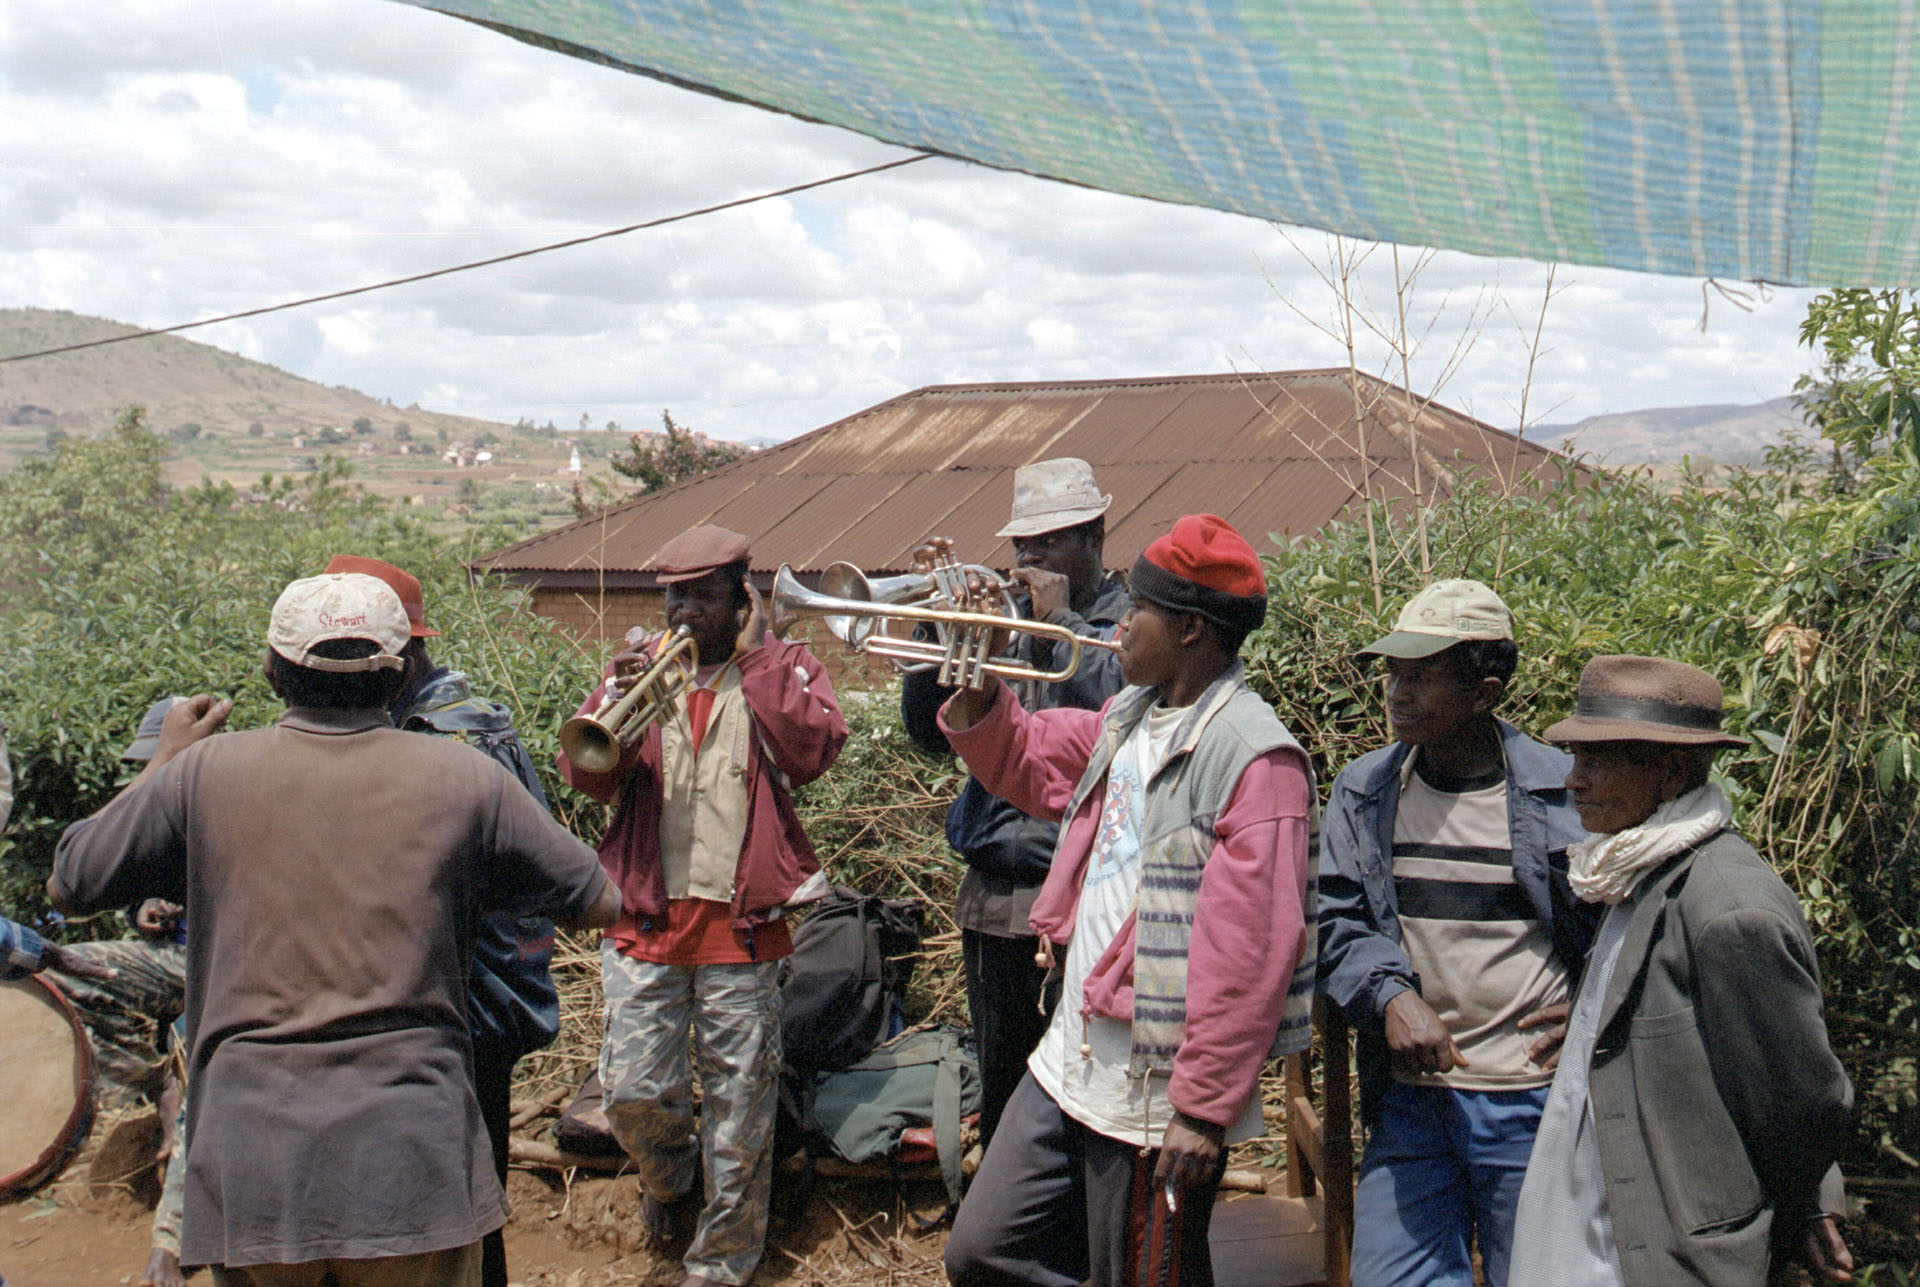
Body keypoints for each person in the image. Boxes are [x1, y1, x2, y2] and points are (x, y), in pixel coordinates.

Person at [49, 571, 619, 1287]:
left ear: (270, 670)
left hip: (253, 1164)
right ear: (400, 670)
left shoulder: (203, 773)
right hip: (410, 1156)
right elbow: (598, 900)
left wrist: (164, 757)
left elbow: (71, 880)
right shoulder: (463, 777)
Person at [938, 513, 1315, 1287]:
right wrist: (977, 674)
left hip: (1154, 1087)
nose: (1118, 627)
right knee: (979, 1248)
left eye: (1135, 611)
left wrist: (1204, 1108)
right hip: (1071, 1058)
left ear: (1188, 629)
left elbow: (1252, 954)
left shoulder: (1256, 758)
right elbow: (1022, 756)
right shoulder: (1128, 718)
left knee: (1144, 1273)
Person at [559, 524, 848, 1287]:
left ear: (739, 596)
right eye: (673, 594)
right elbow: (584, 769)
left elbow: (811, 751)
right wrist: (620, 695)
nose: (682, 610)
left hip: (742, 926)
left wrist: (757, 657)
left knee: (739, 1112)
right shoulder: (640, 669)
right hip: (647, 919)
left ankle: (722, 1262)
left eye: (700, 593)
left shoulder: (785, 667)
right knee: (631, 1092)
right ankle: (669, 1180)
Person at [1507, 655, 1854, 1286]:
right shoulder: (1636, 870)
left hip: (1655, 1247)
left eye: (1598, 761)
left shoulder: (1728, 912)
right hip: (1590, 1214)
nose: (1573, 781)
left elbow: (1800, 1102)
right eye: (1576, 757)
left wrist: (1807, 1205)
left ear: (1670, 773)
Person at [1316, 579, 1596, 1287]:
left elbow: (1635, 919)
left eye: (1422, 675)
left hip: (1531, 1100)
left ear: (1485, 691)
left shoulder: (1564, 794)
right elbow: (1338, 919)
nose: (1397, 691)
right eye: (1393, 672)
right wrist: (1389, 997)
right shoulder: (1366, 791)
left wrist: (1599, 1000)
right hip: (1414, 1102)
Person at [324, 553, 562, 1287]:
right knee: (463, 1192)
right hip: (481, 995)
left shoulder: (442, 738)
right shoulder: (452, 722)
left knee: (455, 1200)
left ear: (400, 654)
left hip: (467, 1001)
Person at [900, 456, 1129, 1151]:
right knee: (1005, 1093)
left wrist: (1058, 620)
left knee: (1089, 1095)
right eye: (1021, 544)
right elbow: (928, 737)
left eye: (1050, 540)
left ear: (1094, 535)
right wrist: (941, 636)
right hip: (998, 897)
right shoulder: (1001, 618)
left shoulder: (1134, 620)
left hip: (1093, 897)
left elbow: (1121, 723)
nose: (1029, 557)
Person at [48, 698, 201, 1111]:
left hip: (217, 960)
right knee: (60, 973)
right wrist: (145, 911)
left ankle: (159, 1086)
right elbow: (103, 887)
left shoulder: (220, 803)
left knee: (68, 972)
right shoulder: (154, 816)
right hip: (173, 957)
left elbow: (68, 886)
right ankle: (146, 1087)